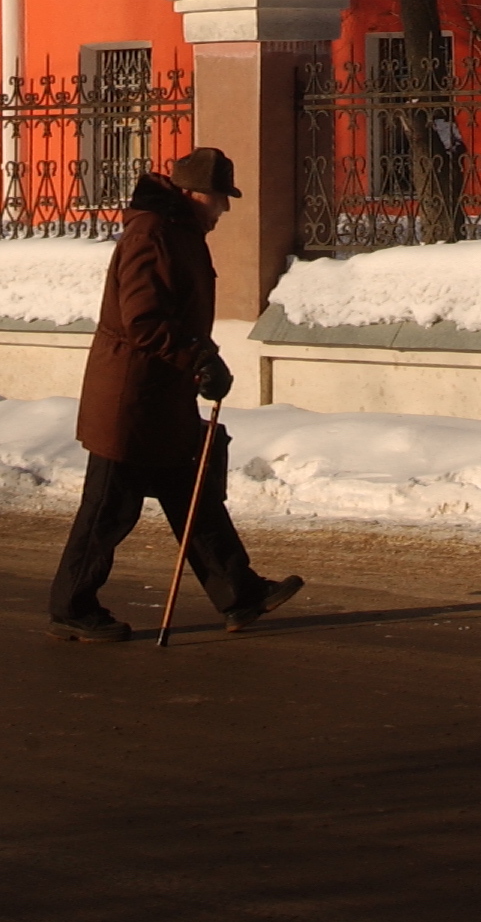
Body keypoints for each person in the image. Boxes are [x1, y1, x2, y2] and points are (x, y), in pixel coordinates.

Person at [47, 144, 303, 644]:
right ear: (193, 194)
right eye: (219, 198)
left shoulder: (177, 232)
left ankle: (240, 593)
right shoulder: (152, 234)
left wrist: (201, 358)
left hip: (161, 397)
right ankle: (70, 607)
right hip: (130, 399)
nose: (223, 208)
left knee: (193, 495)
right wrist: (198, 358)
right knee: (107, 510)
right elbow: (143, 320)